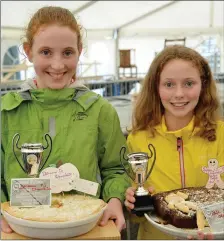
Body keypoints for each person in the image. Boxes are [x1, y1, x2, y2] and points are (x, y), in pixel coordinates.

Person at [1, 6, 130, 233]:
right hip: (20, 231)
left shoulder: (100, 111)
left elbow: (116, 169)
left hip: (86, 228)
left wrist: (115, 199)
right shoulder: (6, 112)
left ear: (80, 51)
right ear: (28, 51)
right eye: (46, 52)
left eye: (68, 53)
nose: (58, 65)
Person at [124, 45, 224, 239]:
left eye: (189, 83)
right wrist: (132, 203)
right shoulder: (138, 139)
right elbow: (136, 216)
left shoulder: (221, 135)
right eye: (169, 84)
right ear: (156, 86)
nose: (179, 94)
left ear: (203, 85)